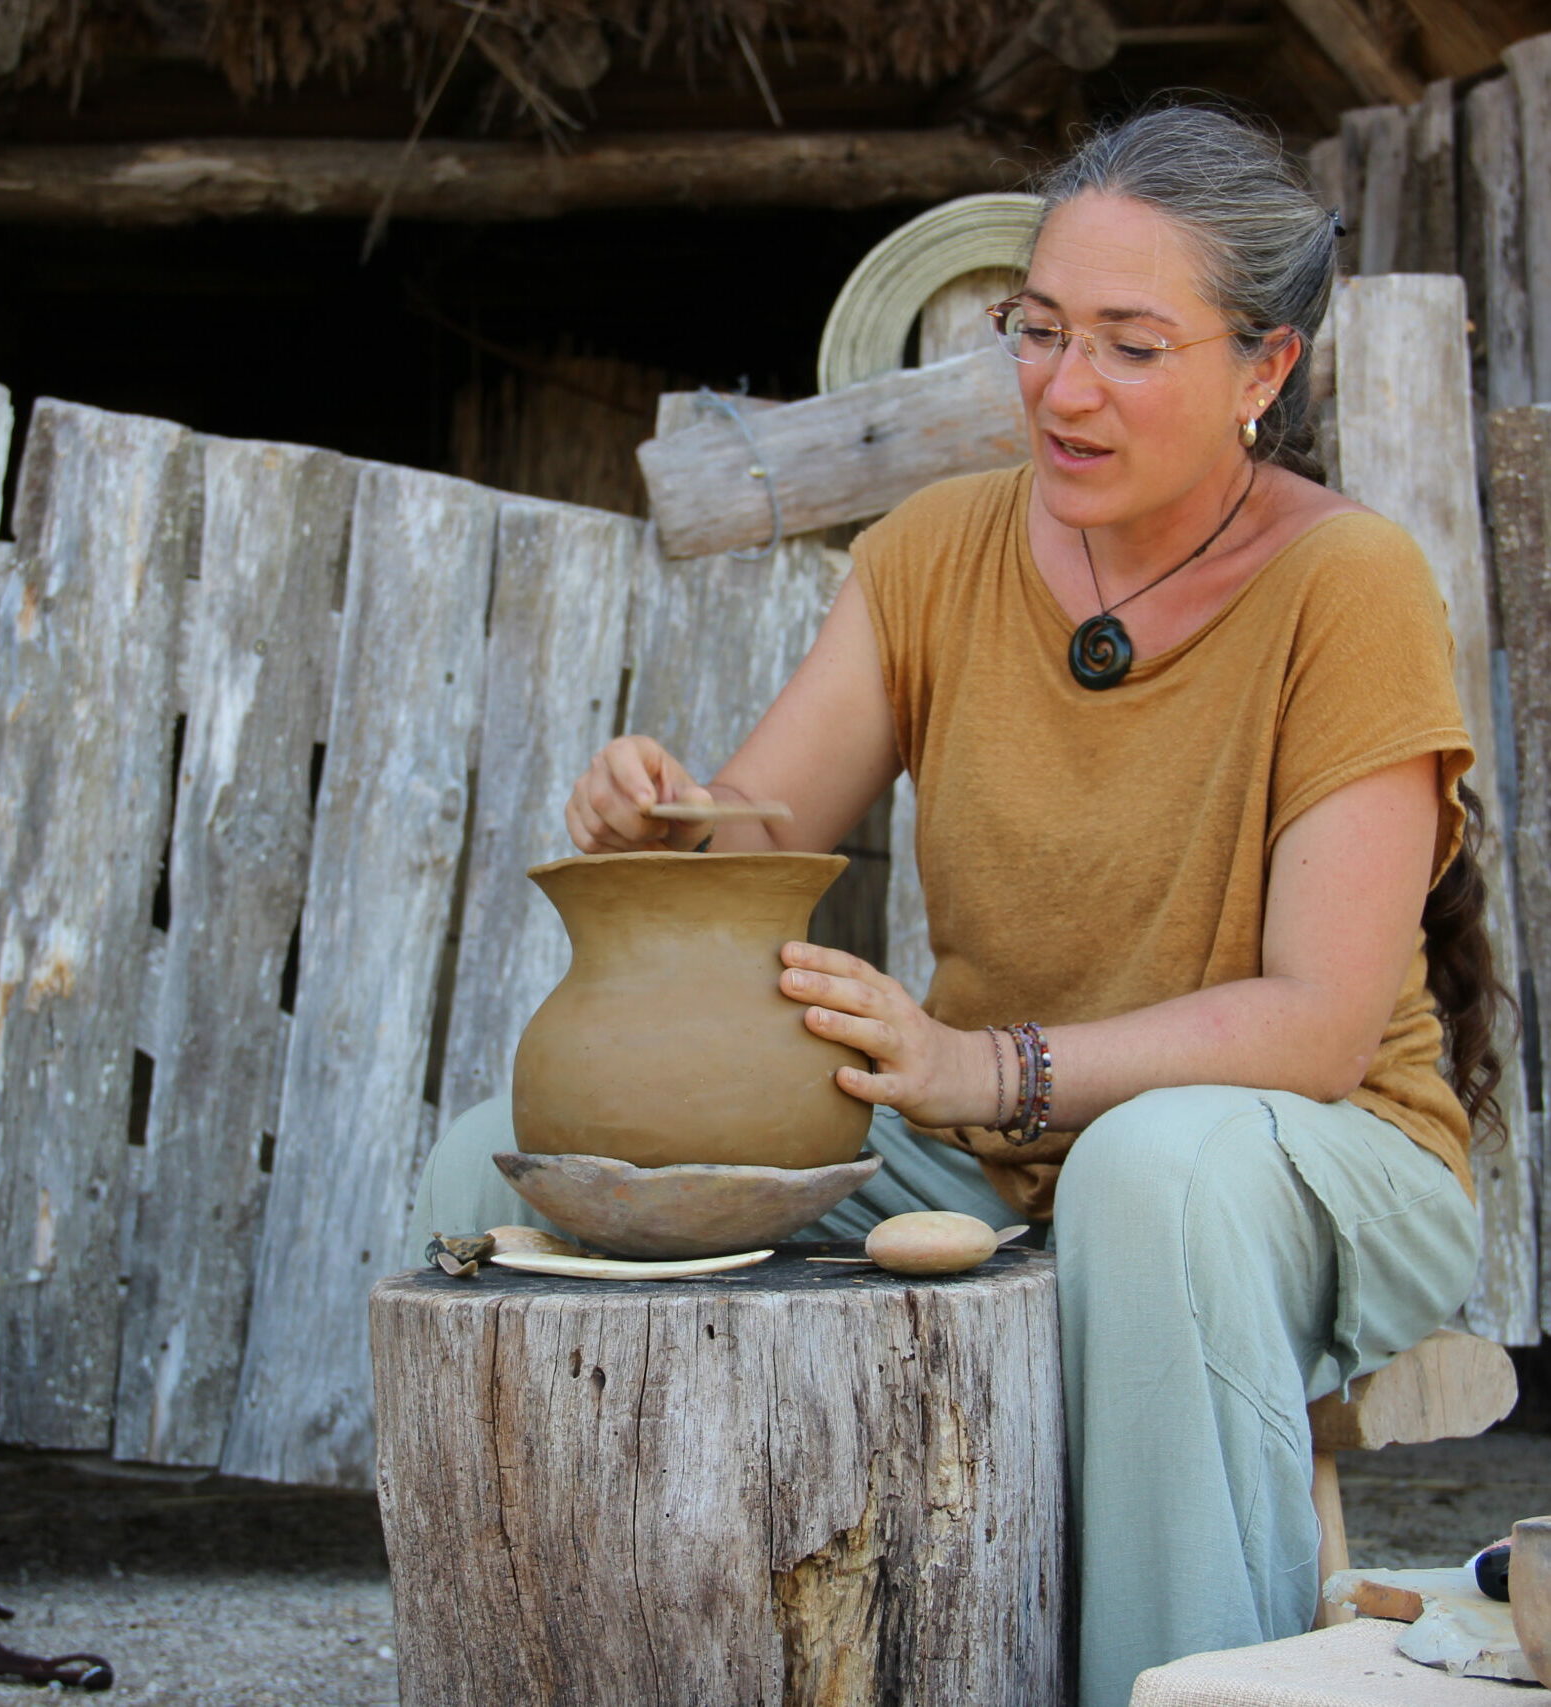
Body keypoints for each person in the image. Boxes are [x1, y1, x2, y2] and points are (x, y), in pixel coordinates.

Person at [411, 105, 1508, 1707]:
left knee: (1153, 1172)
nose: (1064, 390)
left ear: (1264, 371)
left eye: (1132, 348)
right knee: (491, 1155)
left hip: (1302, 1154)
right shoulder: (932, 553)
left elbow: (1320, 1027)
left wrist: (977, 1070)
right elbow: (752, 842)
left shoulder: (1347, 585)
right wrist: (662, 826)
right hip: (994, 1149)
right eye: (1040, 330)